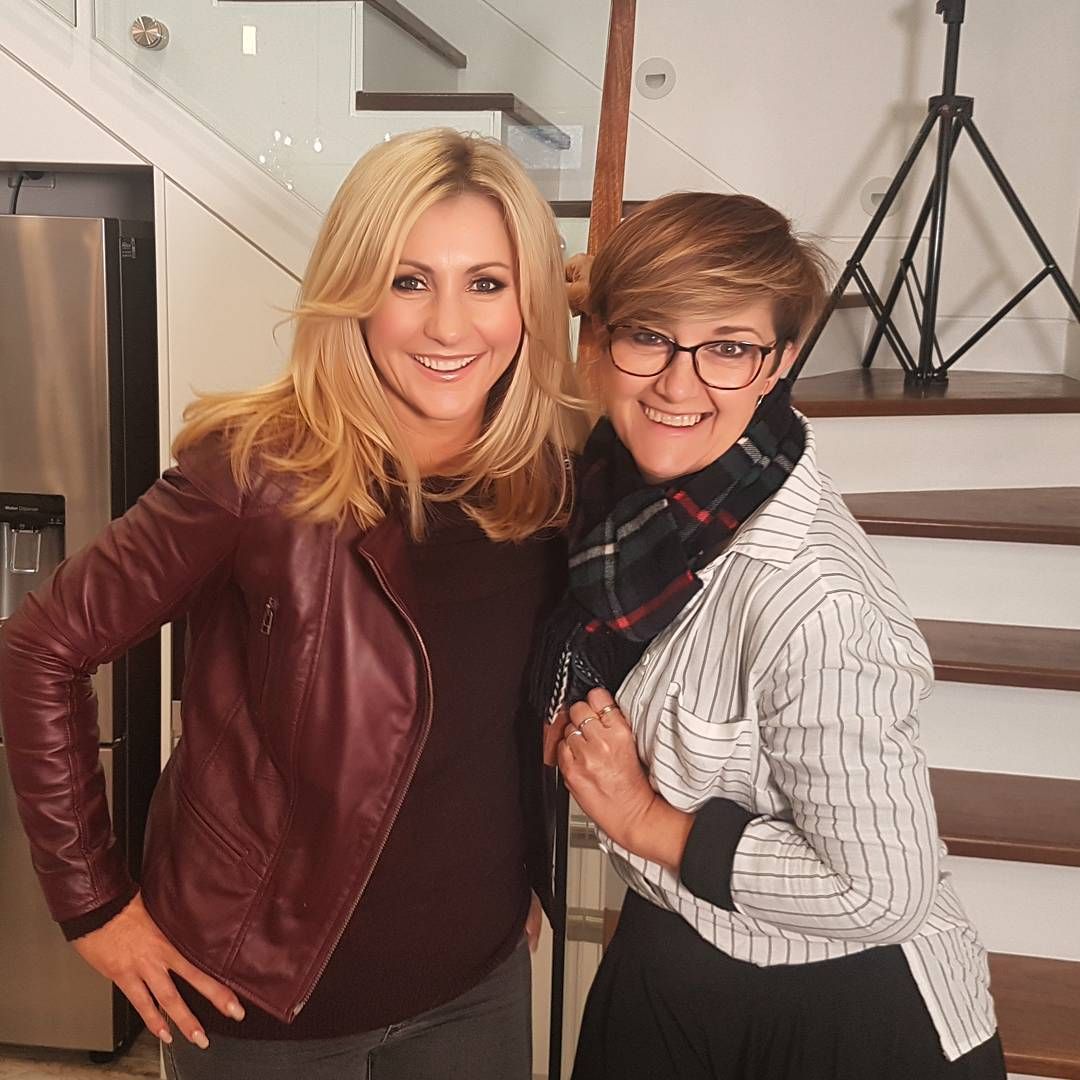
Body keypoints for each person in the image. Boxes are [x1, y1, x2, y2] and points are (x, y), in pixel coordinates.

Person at [0, 128, 585, 1080]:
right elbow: (39, 648)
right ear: (353, 290)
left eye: (487, 282)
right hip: (263, 1007)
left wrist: (522, 871)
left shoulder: (545, 481)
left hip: (475, 982)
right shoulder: (256, 471)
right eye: (408, 280)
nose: (449, 326)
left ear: (531, 303)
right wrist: (93, 906)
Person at [538, 192, 1006, 1080]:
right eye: (649, 335)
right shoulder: (623, 495)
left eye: (728, 348)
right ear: (597, 342)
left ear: (779, 363)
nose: (679, 385)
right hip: (671, 951)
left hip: (840, 1008)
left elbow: (882, 892)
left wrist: (644, 818)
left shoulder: (814, 601)